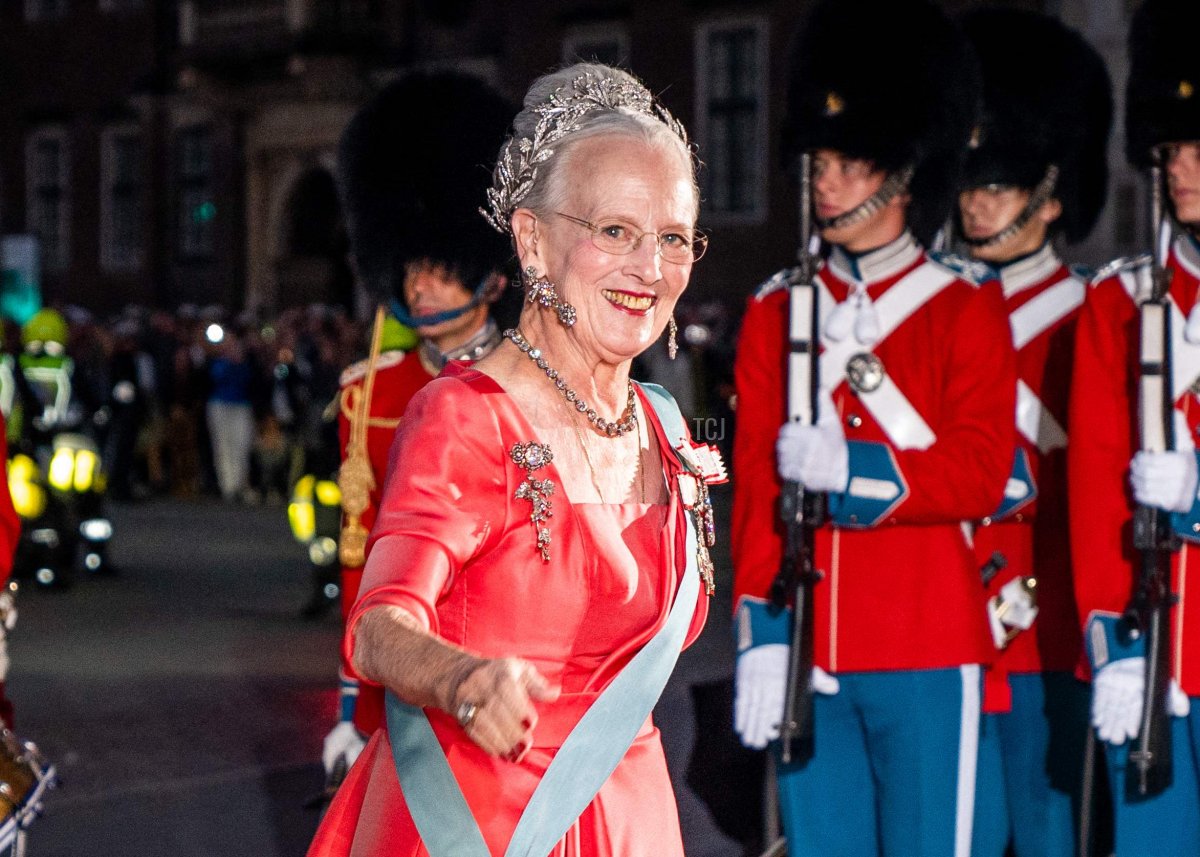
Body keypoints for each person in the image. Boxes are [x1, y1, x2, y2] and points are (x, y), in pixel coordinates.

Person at [307, 62, 718, 856]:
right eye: (615, 231)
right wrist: (460, 680)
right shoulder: (464, 415)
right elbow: (378, 626)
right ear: (531, 239)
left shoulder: (665, 428)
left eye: (673, 238)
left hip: (633, 824)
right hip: (476, 821)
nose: (650, 269)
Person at [730, 1, 1016, 854]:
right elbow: (753, 495)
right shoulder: (775, 312)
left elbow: (978, 470)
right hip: (810, 647)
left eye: (851, 164)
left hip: (928, 645)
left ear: (900, 172)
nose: (824, 183)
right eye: (819, 162)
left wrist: (848, 468)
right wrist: (762, 634)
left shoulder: (965, 310)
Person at [319, 72, 515, 776]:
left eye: (437, 267)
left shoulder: (535, 383)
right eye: (408, 268)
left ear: (488, 272)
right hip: (405, 675)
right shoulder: (367, 395)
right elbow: (359, 560)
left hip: (507, 670)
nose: (416, 286)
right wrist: (352, 706)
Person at [953, 10, 1113, 856]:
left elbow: (1090, 495)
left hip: (1044, 630)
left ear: (1050, 196)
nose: (976, 204)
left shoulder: (1092, 318)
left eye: (1000, 186)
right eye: (971, 182)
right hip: (946, 630)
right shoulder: (938, 313)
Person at [1070, 0, 1200, 853]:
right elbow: (1091, 491)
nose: (1180, 166)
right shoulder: (1118, 304)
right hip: (1152, 661)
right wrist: (1111, 640)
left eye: (1198, 147)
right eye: (1172, 146)